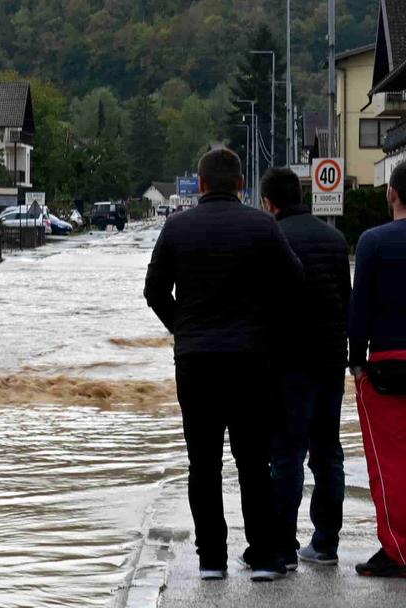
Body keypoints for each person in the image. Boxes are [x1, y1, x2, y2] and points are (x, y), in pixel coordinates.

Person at [144, 147, 302, 582]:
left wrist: (183, 327)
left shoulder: (177, 227)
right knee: (253, 460)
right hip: (251, 361)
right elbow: (295, 281)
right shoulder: (263, 226)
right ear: (240, 185)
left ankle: (211, 558)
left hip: (195, 362)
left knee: (204, 463)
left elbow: (153, 289)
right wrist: (264, 327)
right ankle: (266, 557)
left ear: (200, 184)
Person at [260, 167, 349, 570]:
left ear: (269, 203)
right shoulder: (334, 239)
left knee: (287, 456)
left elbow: (262, 308)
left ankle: (284, 547)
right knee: (328, 454)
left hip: (287, 365)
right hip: (330, 363)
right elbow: (345, 303)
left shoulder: (272, 239)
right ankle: (326, 544)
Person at [350, 161, 406, 577]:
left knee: (389, 463)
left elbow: (360, 308)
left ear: (391, 193)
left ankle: (397, 551)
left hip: (387, 364)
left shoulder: (373, 241)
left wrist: (355, 361)